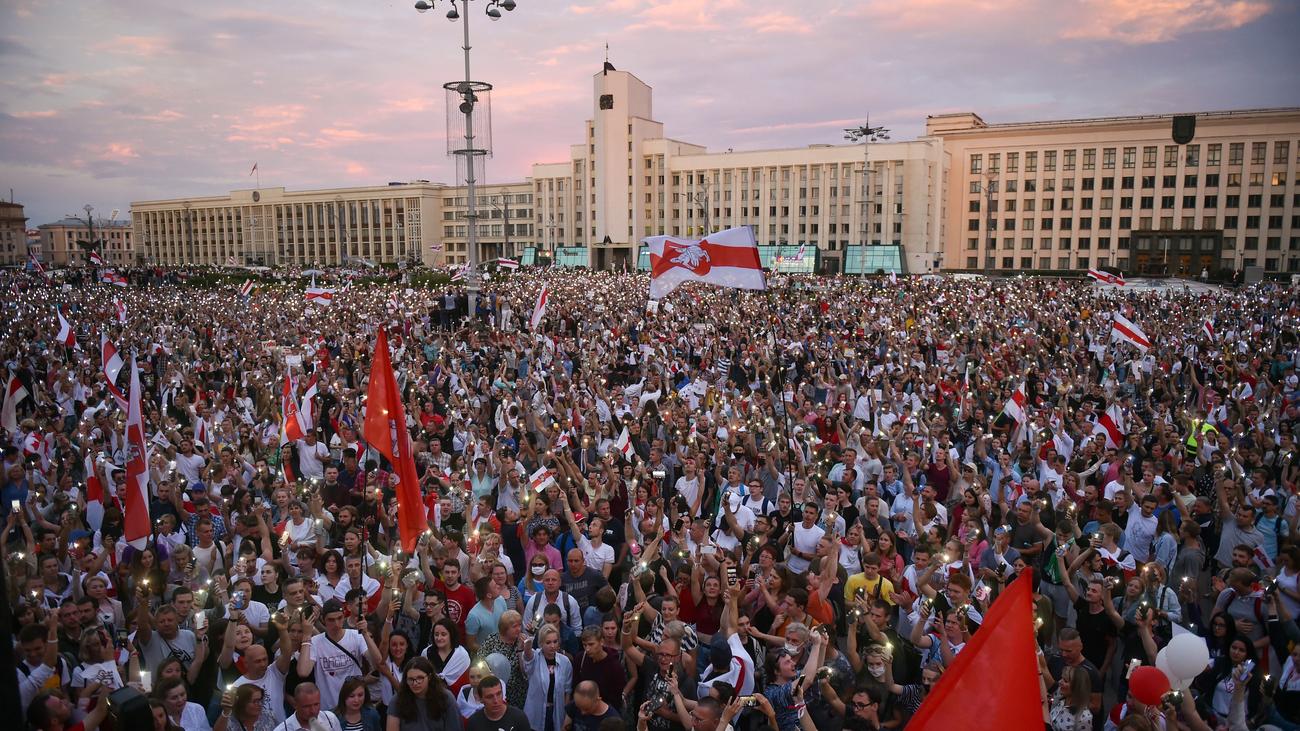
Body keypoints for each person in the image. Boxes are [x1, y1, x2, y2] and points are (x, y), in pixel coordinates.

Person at [384, 657, 461, 731]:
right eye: (411, 679)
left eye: (420, 678)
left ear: (429, 677)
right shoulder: (397, 701)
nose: (415, 683)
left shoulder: (446, 698)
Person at [520, 623, 573, 731]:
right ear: (540, 644)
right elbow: (527, 656)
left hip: (557, 711)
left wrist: (566, 714)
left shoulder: (565, 662)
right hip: (536, 712)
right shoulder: (535, 657)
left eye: (555, 641)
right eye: (548, 642)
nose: (552, 646)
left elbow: (567, 691)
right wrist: (528, 643)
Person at [464, 676, 528, 731]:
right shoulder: (474, 723)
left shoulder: (519, 718)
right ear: (481, 699)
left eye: (499, 694)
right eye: (489, 697)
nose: (496, 700)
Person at [272, 684, 342, 731]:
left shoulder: (330, 719)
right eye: (307, 706)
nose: (313, 711)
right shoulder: (282, 729)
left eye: (316, 704)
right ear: (295, 705)